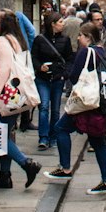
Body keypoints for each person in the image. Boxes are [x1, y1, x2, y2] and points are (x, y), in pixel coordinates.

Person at [45, 21, 106, 193]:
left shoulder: (86, 52)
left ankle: (65, 168)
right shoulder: (101, 52)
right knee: (98, 141)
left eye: (80, 35)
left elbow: (75, 76)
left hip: (85, 104)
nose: (78, 38)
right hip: (99, 103)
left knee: (61, 128)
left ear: (88, 37)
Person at [0, 13, 42, 191]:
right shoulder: (15, 39)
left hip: (5, 96)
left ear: (4, 22)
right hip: (16, 96)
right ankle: (5, 176)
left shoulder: (2, 41)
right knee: (6, 134)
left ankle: (27, 164)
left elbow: (3, 70)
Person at [32, 13, 68, 150]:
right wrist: (39, 66)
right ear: (52, 24)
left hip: (58, 78)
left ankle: (53, 136)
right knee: (44, 107)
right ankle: (43, 137)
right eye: (60, 21)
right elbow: (33, 57)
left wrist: (65, 74)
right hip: (43, 78)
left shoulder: (65, 40)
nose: (63, 24)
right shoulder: (40, 39)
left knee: (56, 110)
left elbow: (69, 58)